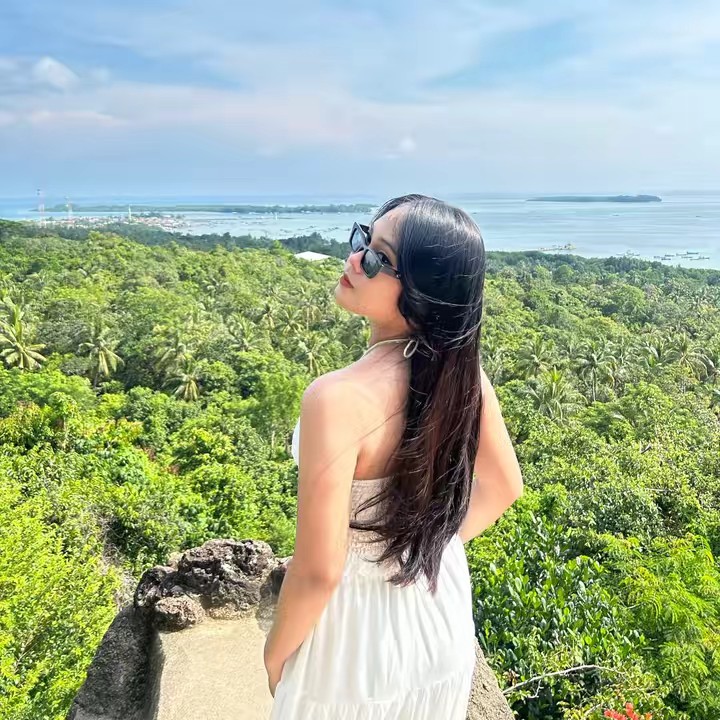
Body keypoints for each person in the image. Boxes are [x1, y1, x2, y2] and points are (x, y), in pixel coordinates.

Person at [264, 194, 524, 718]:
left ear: (424, 293)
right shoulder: (463, 378)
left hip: (355, 637)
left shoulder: (335, 398)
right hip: (437, 612)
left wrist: (274, 657)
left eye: (378, 258)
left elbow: (318, 571)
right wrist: (418, 544)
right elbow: (503, 487)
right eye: (363, 238)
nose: (355, 258)